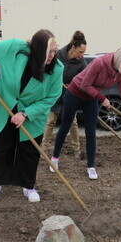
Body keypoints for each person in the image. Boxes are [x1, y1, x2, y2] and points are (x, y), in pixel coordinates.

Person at [0, 29, 63, 203]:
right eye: (49, 52)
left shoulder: (56, 69)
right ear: (37, 50)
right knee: (0, 147)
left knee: (29, 151)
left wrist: (26, 114)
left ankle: (28, 186)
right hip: (4, 107)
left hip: (33, 115)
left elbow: (51, 97)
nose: (53, 56)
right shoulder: (14, 48)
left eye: (55, 51)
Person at [51, 46, 121, 180]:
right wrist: (102, 98)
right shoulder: (99, 63)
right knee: (65, 126)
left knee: (91, 131)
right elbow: (84, 85)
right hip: (74, 93)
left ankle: (91, 167)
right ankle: (54, 158)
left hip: (91, 98)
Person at [42, 30, 87, 160]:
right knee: (50, 121)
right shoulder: (59, 55)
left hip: (70, 94)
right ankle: (43, 149)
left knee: (72, 123)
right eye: (80, 52)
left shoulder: (81, 63)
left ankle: (77, 150)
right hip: (55, 93)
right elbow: (48, 70)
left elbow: (83, 80)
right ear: (73, 47)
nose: (82, 55)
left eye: (84, 52)